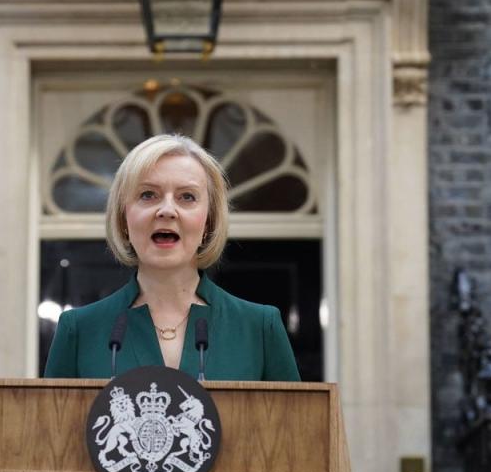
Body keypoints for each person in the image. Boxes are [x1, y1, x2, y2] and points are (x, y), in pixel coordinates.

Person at [43, 134, 300, 381]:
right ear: (123, 219)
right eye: (148, 195)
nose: (167, 210)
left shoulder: (259, 327)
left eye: (187, 197)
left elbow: (295, 424)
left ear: (208, 222)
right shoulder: (79, 330)